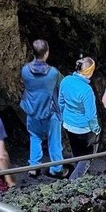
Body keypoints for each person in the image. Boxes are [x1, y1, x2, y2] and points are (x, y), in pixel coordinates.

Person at [20, 39, 65, 178]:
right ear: (47, 53)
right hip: (50, 113)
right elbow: (63, 84)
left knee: (35, 137)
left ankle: (34, 167)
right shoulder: (53, 73)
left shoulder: (25, 70)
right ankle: (56, 169)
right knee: (54, 141)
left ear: (32, 53)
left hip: (32, 111)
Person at [58, 57, 101, 180]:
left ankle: (79, 174)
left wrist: (64, 118)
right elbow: (90, 116)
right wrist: (96, 129)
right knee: (88, 155)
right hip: (83, 129)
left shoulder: (66, 80)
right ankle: (74, 180)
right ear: (90, 72)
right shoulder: (87, 91)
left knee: (76, 153)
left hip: (68, 125)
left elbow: (60, 102)